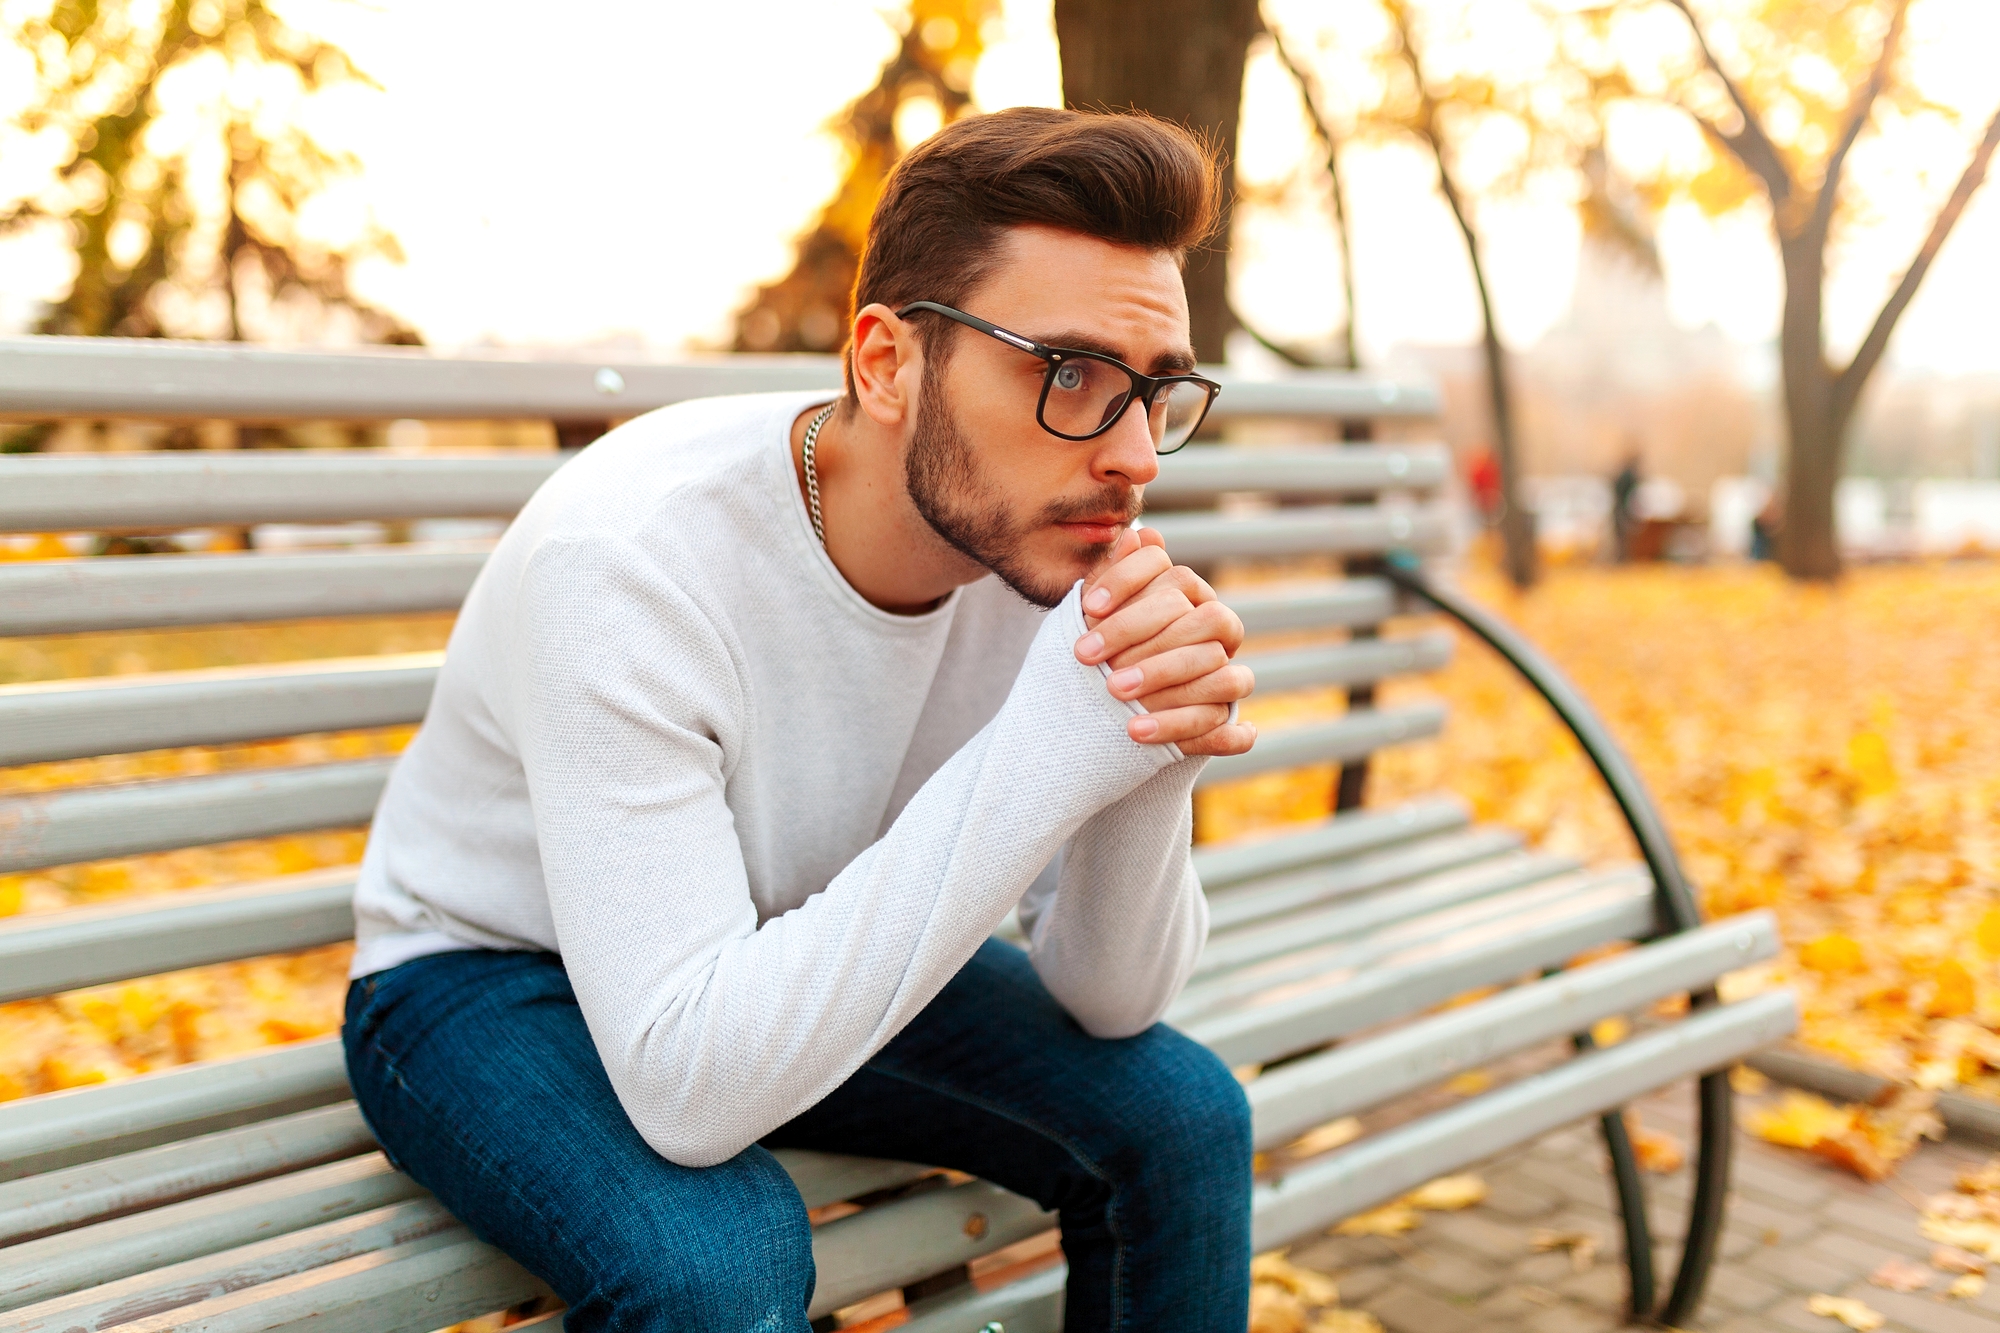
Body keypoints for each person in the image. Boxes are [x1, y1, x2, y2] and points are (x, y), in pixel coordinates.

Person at [341, 106, 1259, 1332]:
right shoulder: (628, 560)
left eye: (1154, 391)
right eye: (1067, 374)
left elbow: (1111, 1001)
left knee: (1185, 1117)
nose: (1135, 454)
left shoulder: (1055, 533)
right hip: (490, 972)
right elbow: (690, 1089)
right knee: (716, 1262)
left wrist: (1148, 752)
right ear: (885, 363)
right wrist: (1054, 742)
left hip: (791, 936)